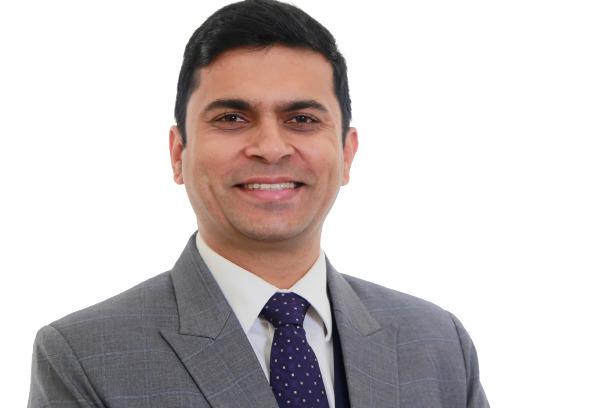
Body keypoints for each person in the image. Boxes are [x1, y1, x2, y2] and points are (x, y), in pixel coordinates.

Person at [28, 0, 489, 407]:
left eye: (302, 119)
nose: (270, 148)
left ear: (347, 154)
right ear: (178, 153)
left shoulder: (438, 344)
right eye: (232, 118)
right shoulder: (84, 356)